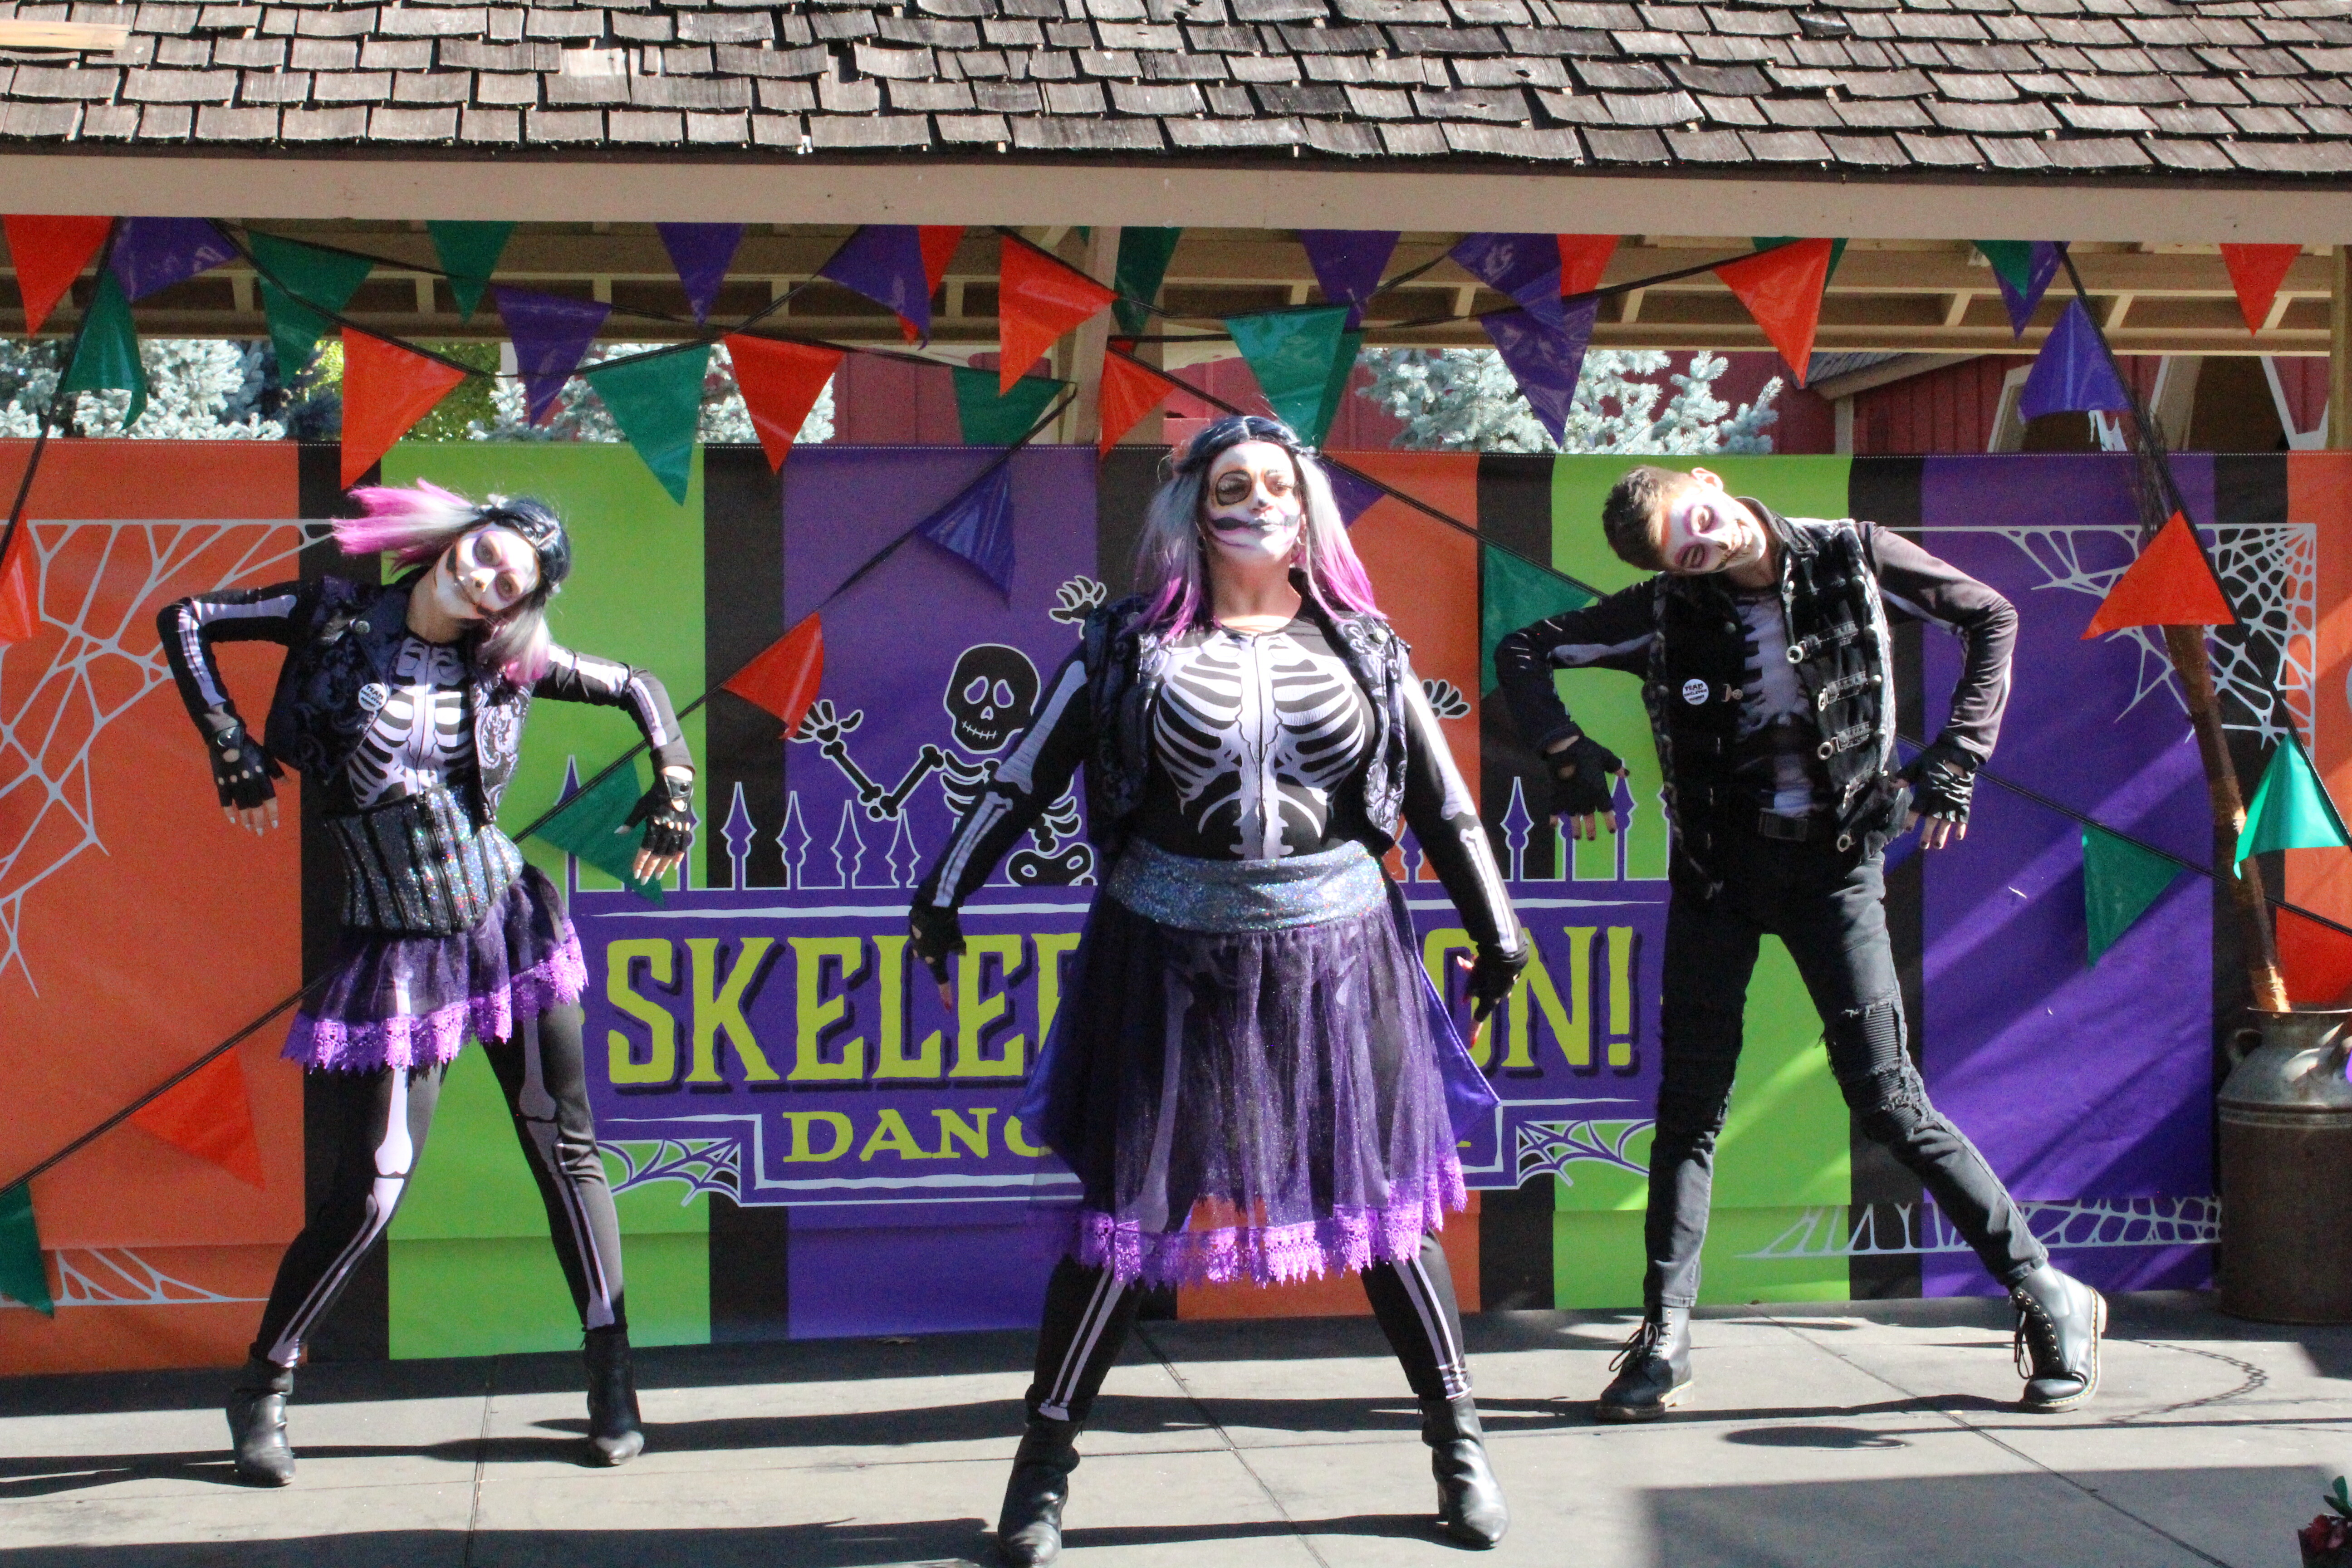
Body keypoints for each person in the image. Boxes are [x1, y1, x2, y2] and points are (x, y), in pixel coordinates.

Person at [908, 416, 1528, 1563]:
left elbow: (1443, 804)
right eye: (1232, 485)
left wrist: (1499, 932)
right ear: (1193, 507)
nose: (1257, 504)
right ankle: (1041, 1473)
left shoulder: (1365, 646)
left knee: (1388, 1211)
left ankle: (1460, 1446)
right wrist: (943, 892)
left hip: (1339, 955)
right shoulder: (1126, 645)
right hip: (1167, 955)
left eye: (1277, 486)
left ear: (1308, 508)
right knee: (1123, 1217)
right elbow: (1024, 775)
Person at [1493, 464, 2104, 1422]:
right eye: (1688, 555)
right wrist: (1566, 754)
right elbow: (1524, 648)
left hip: (1837, 870)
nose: (1709, 545)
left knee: (1889, 1102)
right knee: (1689, 1110)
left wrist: (1960, 754)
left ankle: (2046, 1288)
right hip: (1717, 876)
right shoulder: (1668, 611)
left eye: (1702, 521)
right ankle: (1665, 1337)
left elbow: (1992, 617)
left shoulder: (1853, 555)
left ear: (1710, 483)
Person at [158, 481, 697, 1485]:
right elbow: (186, 619)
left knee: (564, 1145)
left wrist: (676, 779)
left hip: (508, 926)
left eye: (512, 582)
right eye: (489, 552)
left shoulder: (507, 661)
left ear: (516, 605)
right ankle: (263, 1385)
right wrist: (226, 740)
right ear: (462, 533)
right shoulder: (328, 613)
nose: (488, 577)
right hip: (396, 947)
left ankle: (612, 1378)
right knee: (372, 1188)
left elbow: (638, 685)